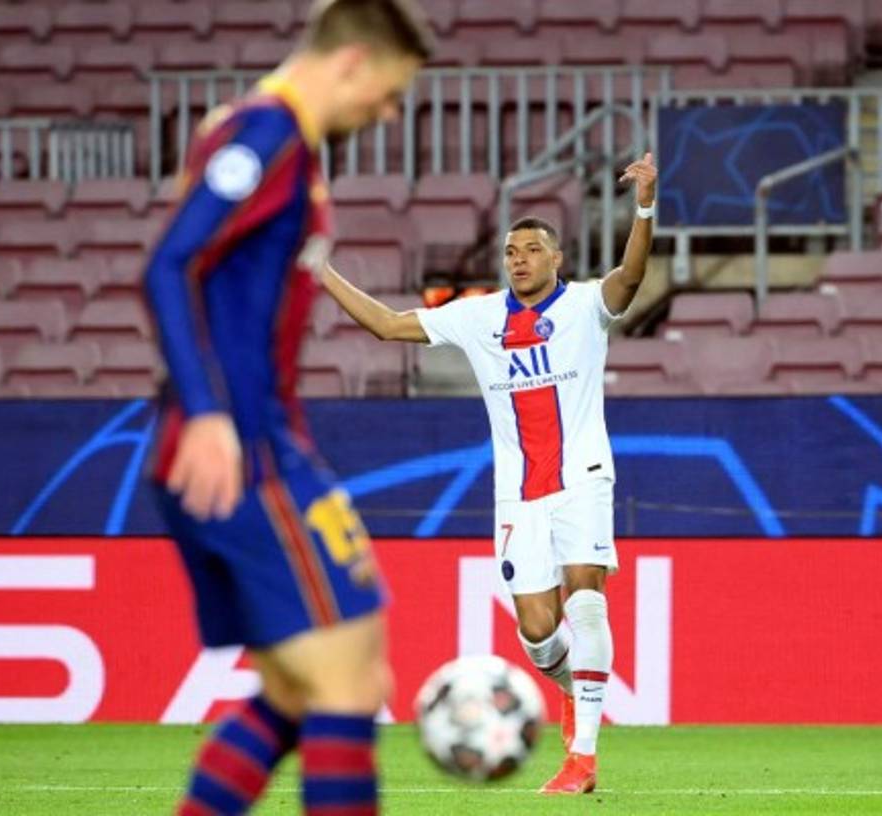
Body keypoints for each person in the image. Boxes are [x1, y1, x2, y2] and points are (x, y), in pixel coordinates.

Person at [142, 2, 432, 814]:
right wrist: (205, 414)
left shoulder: (262, 134)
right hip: (240, 444)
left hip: (262, 440)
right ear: (353, 62)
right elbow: (169, 267)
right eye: (388, 94)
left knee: (316, 688)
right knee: (348, 672)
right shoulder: (265, 134)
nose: (385, 115)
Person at [321, 152, 658, 794]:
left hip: (583, 476)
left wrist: (644, 205)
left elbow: (632, 276)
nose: (519, 259)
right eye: (510, 251)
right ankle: (572, 689)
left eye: (532, 249)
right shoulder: (479, 317)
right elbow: (387, 325)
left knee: (585, 597)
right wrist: (321, 272)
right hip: (517, 494)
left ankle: (581, 761)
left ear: (557, 258)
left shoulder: (586, 306)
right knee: (537, 632)